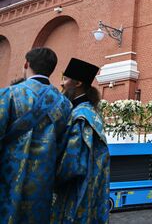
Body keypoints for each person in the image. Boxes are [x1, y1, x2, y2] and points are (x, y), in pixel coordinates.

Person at [0, 47, 72, 223]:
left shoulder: (9, 94)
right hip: (43, 185)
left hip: (6, 180)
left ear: (26, 64)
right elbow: (65, 148)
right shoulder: (65, 104)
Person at [52, 58, 110, 223]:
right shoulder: (89, 112)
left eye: (65, 79)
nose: (62, 84)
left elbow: (71, 163)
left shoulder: (81, 116)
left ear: (77, 83)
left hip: (75, 191)